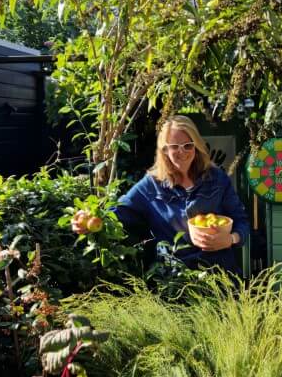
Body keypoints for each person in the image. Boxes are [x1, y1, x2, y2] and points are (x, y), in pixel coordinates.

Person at [72, 115, 250, 275]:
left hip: (220, 275)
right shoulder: (151, 185)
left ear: (196, 146)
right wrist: (91, 219)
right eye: (174, 147)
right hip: (175, 280)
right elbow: (119, 212)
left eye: (188, 145)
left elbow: (241, 220)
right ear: (164, 150)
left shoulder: (216, 178)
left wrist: (230, 239)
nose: (182, 152)